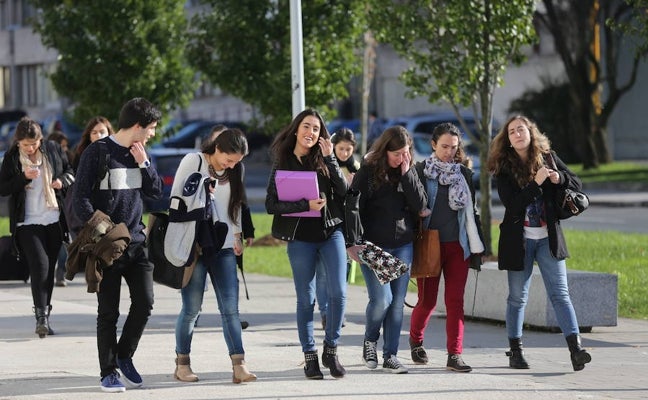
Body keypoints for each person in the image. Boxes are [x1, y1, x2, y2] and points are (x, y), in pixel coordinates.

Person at [486, 115, 592, 372]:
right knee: (517, 298)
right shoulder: (503, 168)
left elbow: (576, 183)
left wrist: (558, 179)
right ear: (508, 140)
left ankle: (576, 349)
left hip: (548, 239)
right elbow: (513, 207)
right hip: (519, 241)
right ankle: (516, 351)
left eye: (521, 129)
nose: (517, 134)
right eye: (512, 132)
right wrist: (537, 182)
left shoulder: (548, 157)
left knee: (561, 295)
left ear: (531, 133)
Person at [73, 98, 163, 392]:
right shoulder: (96, 153)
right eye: (150, 128)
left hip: (137, 243)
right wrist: (105, 232)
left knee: (145, 304)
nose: (151, 134)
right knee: (108, 312)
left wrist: (144, 163)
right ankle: (108, 372)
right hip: (107, 245)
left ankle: (124, 355)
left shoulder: (141, 152)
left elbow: (155, 191)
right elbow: (80, 199)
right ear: (137, 126)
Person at [265, 108, 349, 379]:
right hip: (300, 239)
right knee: (306, 300)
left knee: (339, 294)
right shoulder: (283, 161)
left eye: (316, 128)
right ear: (296, 129)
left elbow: (345, 192)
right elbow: (271, 204)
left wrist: (330, 158)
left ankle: (331, 349)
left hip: (331, 232)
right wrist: (305, 205)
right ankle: (310, 355)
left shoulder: (325, 158)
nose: (311, 132)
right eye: (306, 126)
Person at [172, 127, 257, 384]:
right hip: (195, 246)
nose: (231, 165)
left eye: (236, 162)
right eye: (228, 159)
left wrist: (237, 235)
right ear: (217, 148)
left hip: (223, 248)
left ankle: (238, 365)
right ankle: (182, 363)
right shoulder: (194, 161)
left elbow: (235, 204)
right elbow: (176, 202)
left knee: (230, 309)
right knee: (192, 309)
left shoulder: (235, 170)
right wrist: (201, 193)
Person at [346, 125, 427, 374]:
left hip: (403, 244)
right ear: (385, 151)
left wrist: (408, 175)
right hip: (373, 246)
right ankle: (370, 340)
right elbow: (353, 204)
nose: (402, 158)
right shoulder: (369, 170)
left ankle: (390, 355)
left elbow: (421, 205)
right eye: (397, 154)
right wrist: (352, 242)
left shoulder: (409, 170)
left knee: (397, 303)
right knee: (382, 300)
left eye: (406, 153)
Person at [408, 122, 485, 373]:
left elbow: (472, 213)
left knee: (455, 301)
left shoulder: (464, 174)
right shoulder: (420, 172)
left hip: (458, 246)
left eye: (453, 147)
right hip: (430, 245)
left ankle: (455, 354)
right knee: (427, 301)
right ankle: (416, 340)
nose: (449, 152)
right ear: (433, 145)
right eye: (444, 147)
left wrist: (477, 246)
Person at [0, 117, 74, 338]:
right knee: (39, 265)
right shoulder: (12, 158)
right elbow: (3, 188)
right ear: (18, 143)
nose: (31, 148)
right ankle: (40, 318)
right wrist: (23, 178)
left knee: (49, 269)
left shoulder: (52, 149)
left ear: (41, 139)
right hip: (27, 222)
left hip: (53, 218)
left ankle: (46, 317)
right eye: (25, 145)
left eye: (34, 143)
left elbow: (70, 171)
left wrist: (61, 181)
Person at [315, 127, 359, 329]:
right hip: (325, 224)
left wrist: (353, 189)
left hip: (347, 226)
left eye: (349, 149)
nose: (344, 153)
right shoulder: (323, 164)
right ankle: (325, 312)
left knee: (342, 273)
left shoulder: (356, 169)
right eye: (341, 148)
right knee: (323, 273)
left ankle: (337, 312)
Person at [46, 130, 74, 287]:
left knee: (64, 241)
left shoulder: (67, 156)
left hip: (65, 205)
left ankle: (60, 273)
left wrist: (62, 181)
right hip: (49, 206)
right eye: (61, 146)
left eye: (65, 146)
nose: (64, 149)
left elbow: (71, 173)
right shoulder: (45, 158)